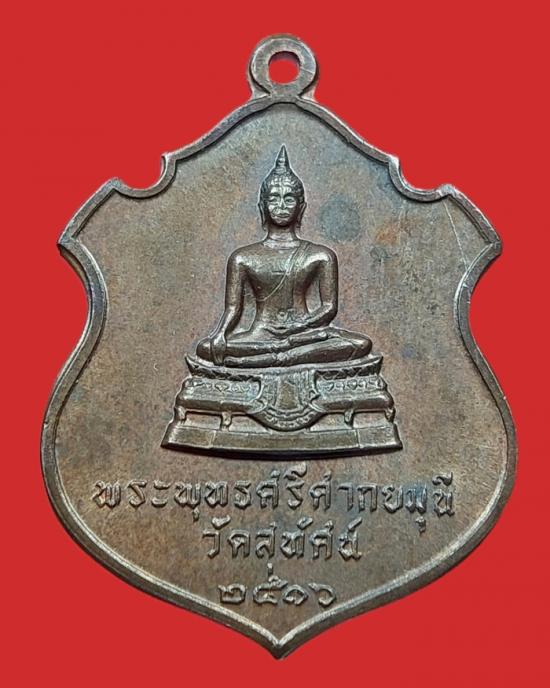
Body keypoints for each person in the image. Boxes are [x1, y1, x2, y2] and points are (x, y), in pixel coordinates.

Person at [196, 146, 372, 367]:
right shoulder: (243, 258)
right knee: (205, 348)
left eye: (289, 199)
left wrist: (299, 327)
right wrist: (220, 334)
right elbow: (233, 308)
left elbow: (329, 307)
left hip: (304, 334)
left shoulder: (320, 256)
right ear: (262, 206)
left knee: (360, 344)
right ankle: (280, 353)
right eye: (274, 199)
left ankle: (278, 356)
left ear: (301, 207)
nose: (281, 206)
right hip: (261, 334)